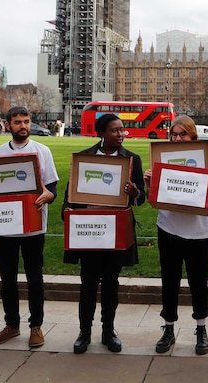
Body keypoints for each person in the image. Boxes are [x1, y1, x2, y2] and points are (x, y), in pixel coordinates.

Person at [63, 113, 145, 354]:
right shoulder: (85, 158)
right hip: (89, 229)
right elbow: (71, 195)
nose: (121, 134)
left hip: (116, 231)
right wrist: (68, 211)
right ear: (101, 133)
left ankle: (108, 331)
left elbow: (140, 200)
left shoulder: (132, 159)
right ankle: (84, 333)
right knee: (87, 283)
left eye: (122, 130)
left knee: (111, 283)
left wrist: (134, 192)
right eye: (115, 130)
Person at [144, 114, 208, 356]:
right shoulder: (162, 160)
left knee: (198, 282)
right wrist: (150, 184)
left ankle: (201, 329)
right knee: (169, 281)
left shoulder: (207, 159)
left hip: (198, 231)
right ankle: (168, 328)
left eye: (183, 134)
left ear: (193, 136)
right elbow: (153, 202)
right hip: (169, 227)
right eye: (174, 134)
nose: (178, 138)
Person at [0, 106, 58, 349]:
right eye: (17, 122)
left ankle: (36, 326)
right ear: (8, 125)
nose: (23, 126)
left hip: (33, 227)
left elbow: (53, 189)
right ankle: (12, 325)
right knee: (7, 280)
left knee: (34, 279)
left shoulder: (42, 151)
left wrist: (47, 196)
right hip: (4, 227)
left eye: (26, 121)